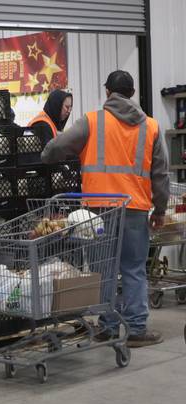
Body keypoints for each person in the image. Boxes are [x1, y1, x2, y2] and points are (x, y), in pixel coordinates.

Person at [41, 70, 169, 348]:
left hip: (98, 211)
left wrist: (46, 154)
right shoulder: (151, 126)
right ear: (132, 94)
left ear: (108, 93)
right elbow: (161, 174)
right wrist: (160, 210)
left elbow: (57, 148)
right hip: (135, 208)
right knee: (135, 269)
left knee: (103, 269)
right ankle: (136, 329)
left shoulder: (92, 121)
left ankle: (108, 327)